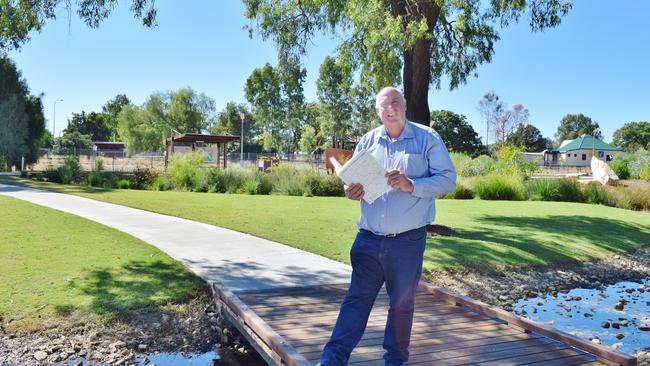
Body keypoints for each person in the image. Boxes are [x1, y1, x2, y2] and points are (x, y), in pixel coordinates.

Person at [318, 87, 456, 366]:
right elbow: (352, 183)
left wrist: (412, 184)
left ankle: (395, 361)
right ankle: (332, 359)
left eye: (395, 102)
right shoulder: (368, 141)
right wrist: (350, 190)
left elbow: (448, 180)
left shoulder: (427, 138)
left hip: (407, 243)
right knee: (356, 301)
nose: (390, 108)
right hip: (368, 239)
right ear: (377, 111)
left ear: (404, 105)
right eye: (384, 105)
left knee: (402, 306)